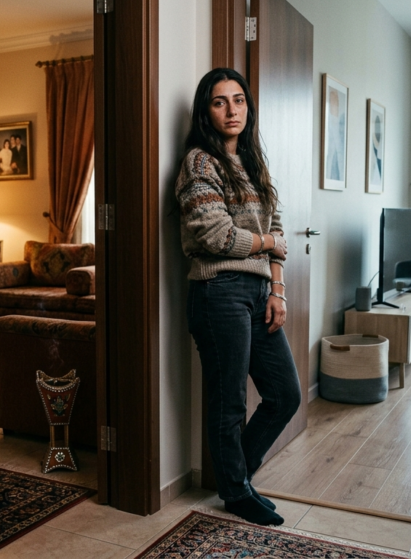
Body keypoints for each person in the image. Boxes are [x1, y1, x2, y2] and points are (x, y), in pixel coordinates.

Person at [176, 67, 297, 527]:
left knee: (284, 395)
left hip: (259, 291)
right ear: (206, 111)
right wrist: (266, 246)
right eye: (220, 101)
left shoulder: (253, 164)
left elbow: (278, 228)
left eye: (239, 99)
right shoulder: (199, 162)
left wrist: (277, 288)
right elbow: (214, 234)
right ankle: (237, 489)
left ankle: (236, 480)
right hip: (217, 291)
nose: (232, 110)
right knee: (228, 402)